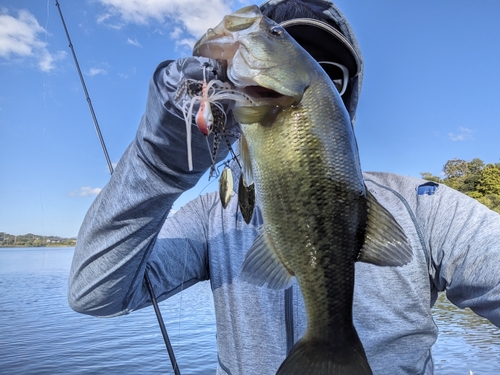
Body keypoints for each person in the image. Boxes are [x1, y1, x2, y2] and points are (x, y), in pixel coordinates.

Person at [68, 0, 500, 374]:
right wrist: (156, 163)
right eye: (285, 39)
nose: (319, 76)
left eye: (330, 72)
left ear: (344, 99)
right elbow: (94, 293)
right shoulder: (211, 218)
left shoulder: (425, 209)